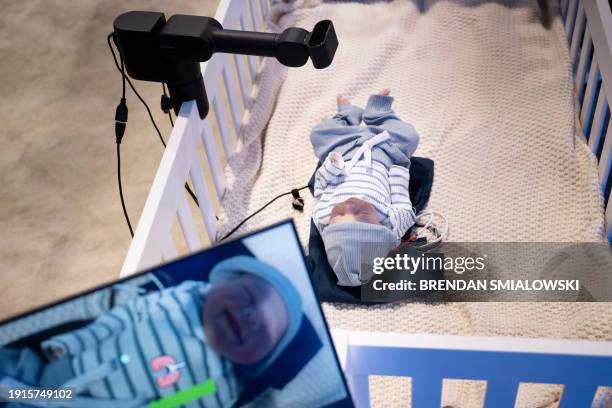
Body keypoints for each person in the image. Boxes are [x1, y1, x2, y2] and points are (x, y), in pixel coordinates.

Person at [0, 256, 302, 407]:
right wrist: (70, 344)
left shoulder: (220, 386)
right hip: (63, 372)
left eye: (264, 330)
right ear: (218, 284)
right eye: (249, 296)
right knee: (12, 371)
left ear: (254, 361)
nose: (250, 316)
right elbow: (118, 320)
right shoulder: (175, 301)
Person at [310, 88, 420, 287]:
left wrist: (331, 168)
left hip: (343, 150)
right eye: (362, 216)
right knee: (409, 136)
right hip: (382, 154)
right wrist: (398, 169)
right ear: (379, 227)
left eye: (340, 216)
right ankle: (378, 115)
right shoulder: (393, 224)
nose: (350, 207)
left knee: (318, 134)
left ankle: (346, 115)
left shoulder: (322, 216)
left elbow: (320, 187)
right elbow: (401, 199)